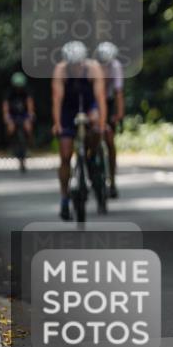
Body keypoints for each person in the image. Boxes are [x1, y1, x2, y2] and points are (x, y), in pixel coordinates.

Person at [51, 41, 107, 221]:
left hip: (88, 105)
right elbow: (57, 99)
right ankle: (64, 197)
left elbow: (100, 98)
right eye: (72, 65)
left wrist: (102, 124)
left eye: (79, 64)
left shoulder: (93, 68)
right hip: (68, 108)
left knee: (96, 127)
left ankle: (91, 156)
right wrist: (57, 123)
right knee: (65, 155)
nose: (76, 68)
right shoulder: (60, 71)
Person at [94, 41, 125, 198]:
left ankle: (112, 180)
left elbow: (119, 93)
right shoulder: (92, 67)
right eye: (101, 63)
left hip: (109, 101)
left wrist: (119, 115)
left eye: (107, 63)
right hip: (94, 102)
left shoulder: (116, 67)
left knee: (110, 141)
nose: (104, 66)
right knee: (91, 137)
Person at [3, 72, 35, 172]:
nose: (18, 88)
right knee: (10, 128)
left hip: (23, 115)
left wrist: (30, 115)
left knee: (28, 127)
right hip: (13, 115)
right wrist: (6, 116)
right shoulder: (9, 92)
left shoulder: (26, 91)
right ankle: (10, 145)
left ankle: (30, 145)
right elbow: (5, 105)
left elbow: (30, 103)